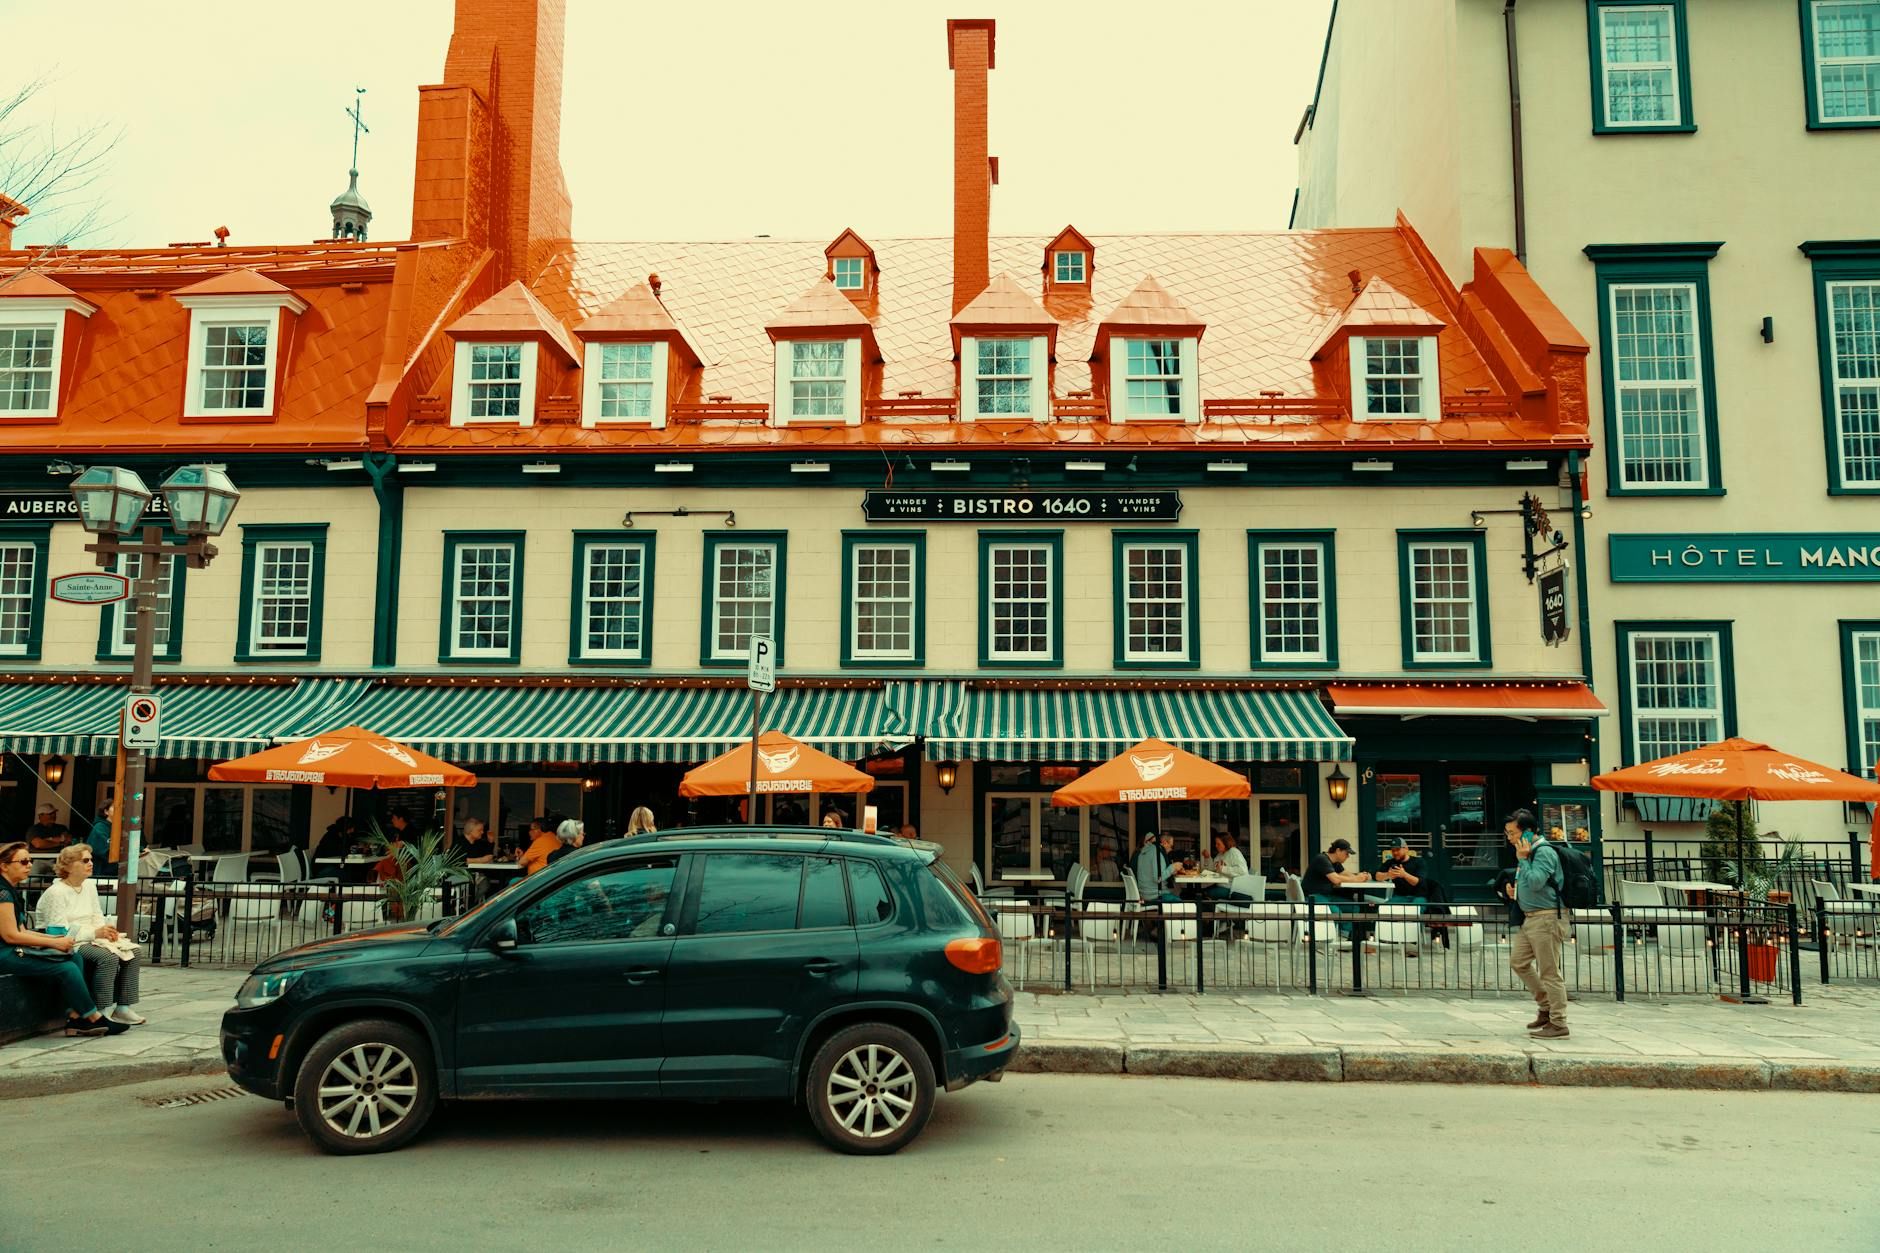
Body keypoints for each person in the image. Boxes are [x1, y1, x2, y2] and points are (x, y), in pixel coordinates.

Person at [0, 842, 128, 1037]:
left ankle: (76, 1016)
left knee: (74, 956)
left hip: (13, 950)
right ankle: (93, 1018)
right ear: (4, 866)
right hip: (5, 954)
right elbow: (11, 935)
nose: (30, 865)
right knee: (66, 968)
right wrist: (53, 942)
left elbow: (22, 930)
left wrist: (56, 938)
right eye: (24, 861)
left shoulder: (9, 890)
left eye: (30, 860)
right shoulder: (2, 893)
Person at [37, 845, 144, 1026]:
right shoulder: (56, 892)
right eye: (85, 860)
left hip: (92, 937)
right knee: (107, 957)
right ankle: (102, 1009)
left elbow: (96, 915)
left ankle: (123, 1007)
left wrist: (105, 931)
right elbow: (58, 932)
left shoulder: (88, 886)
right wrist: (95, 933)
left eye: (91, 859)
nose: (91, 863)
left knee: (134, 952)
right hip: (67, 942)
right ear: (69, 866)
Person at [1506, 809, 1569, 1039]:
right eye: (1507, 833)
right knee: (1518, 962)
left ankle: (1559, 1023)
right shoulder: (1527, 852)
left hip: (1546, 918)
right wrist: (1514, 893)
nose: (1509, 838)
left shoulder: (1543, 852)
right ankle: (1546, 1006)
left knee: (1550, 972)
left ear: (1527, 832)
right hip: (1530, 917)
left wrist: (1523, 859)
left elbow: (1535, 882)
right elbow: (1528, 884)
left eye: (1512, 833)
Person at [1303, 838, 1373, 948]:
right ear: (1338, 850)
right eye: (1346, 853)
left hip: (1327, 896)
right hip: (1313, 897)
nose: (1348, 856)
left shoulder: (1336, 863)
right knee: (1337, 912)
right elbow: (1335, 879)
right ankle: (1339, 941)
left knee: (1354, 908)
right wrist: (1356, 879)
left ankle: (1346, 938)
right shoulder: (1322, 859)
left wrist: (1362, 876)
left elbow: (1346, 874)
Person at [1131, 831, 1179, 903]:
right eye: (1171, 846)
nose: (1171, 849)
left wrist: (1171, 871)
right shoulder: (1157, 852)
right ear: (1165, 843)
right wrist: (1173, 867)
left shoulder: (1143, 852)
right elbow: (1158, 878)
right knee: (1185, 904)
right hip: (1155, 896)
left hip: (1145, 893)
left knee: (1177, 892)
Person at [1204, 833, 1252, 901]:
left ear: (1226, 843)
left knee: (1206, 894)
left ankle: (1211, 906)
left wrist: (1223, 869)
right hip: (1221, 885)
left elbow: (1242, 871)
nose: (1216, 846)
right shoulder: (1221, 854)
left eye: (1218, 844)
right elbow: (1213, 868)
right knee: (1201, 892)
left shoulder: (1234, 852)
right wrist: (1208, 858)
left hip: (1232, 888)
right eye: (1216, 843)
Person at [85, 799, 116, 876]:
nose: (119, 810)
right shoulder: (100, 827)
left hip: (116, 871)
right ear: (106, 811)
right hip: (102, 872)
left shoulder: (120, 827)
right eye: (114, 807)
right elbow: (103, 850)